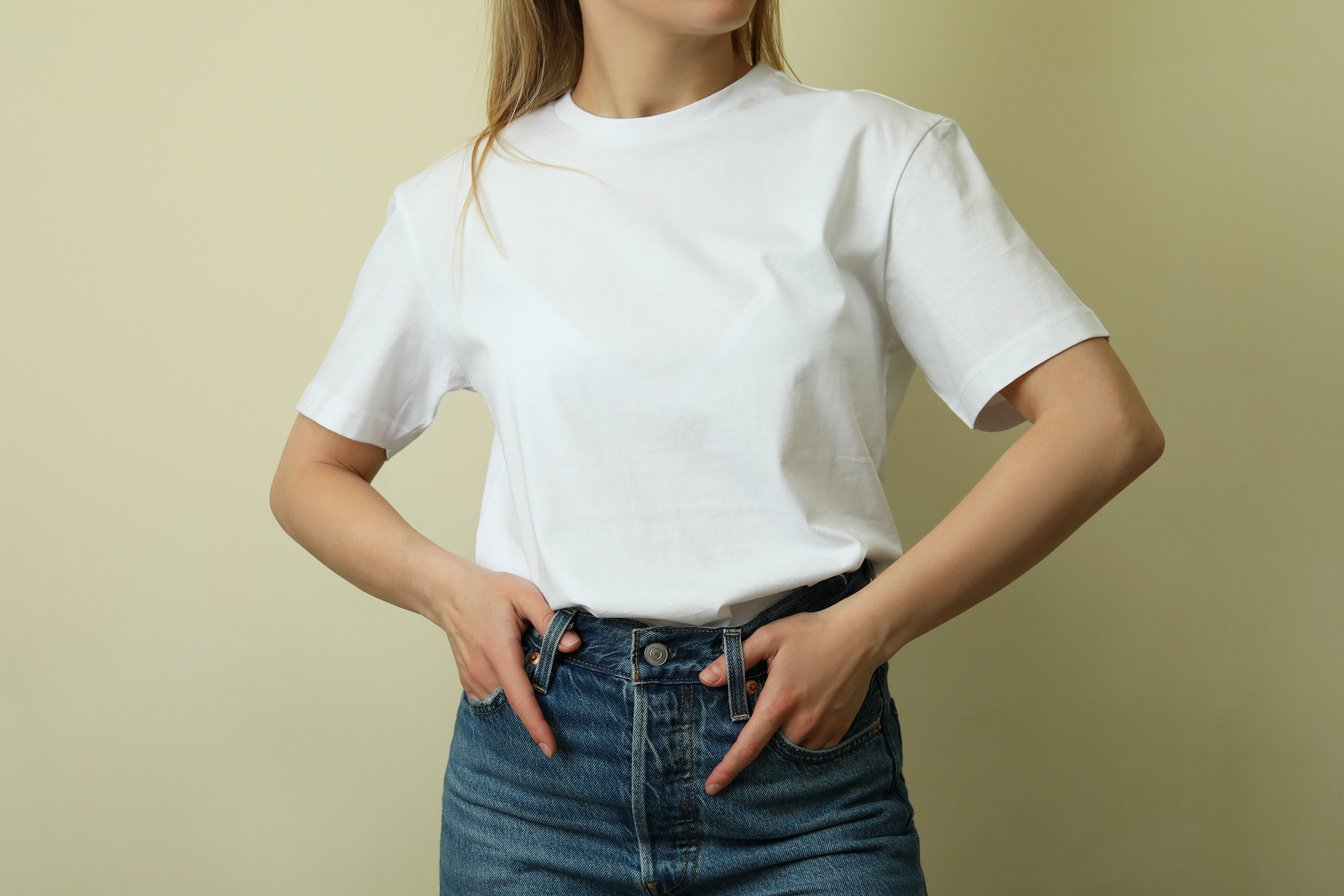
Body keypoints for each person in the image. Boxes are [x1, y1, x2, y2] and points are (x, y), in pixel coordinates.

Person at [269, 1, 1164, 892]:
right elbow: (310, 476)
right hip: (537, 786)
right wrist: (446, 592)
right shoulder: (464, 200)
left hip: (804, 786)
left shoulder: (875, 155)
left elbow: (1102, 425)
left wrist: (867, 629)